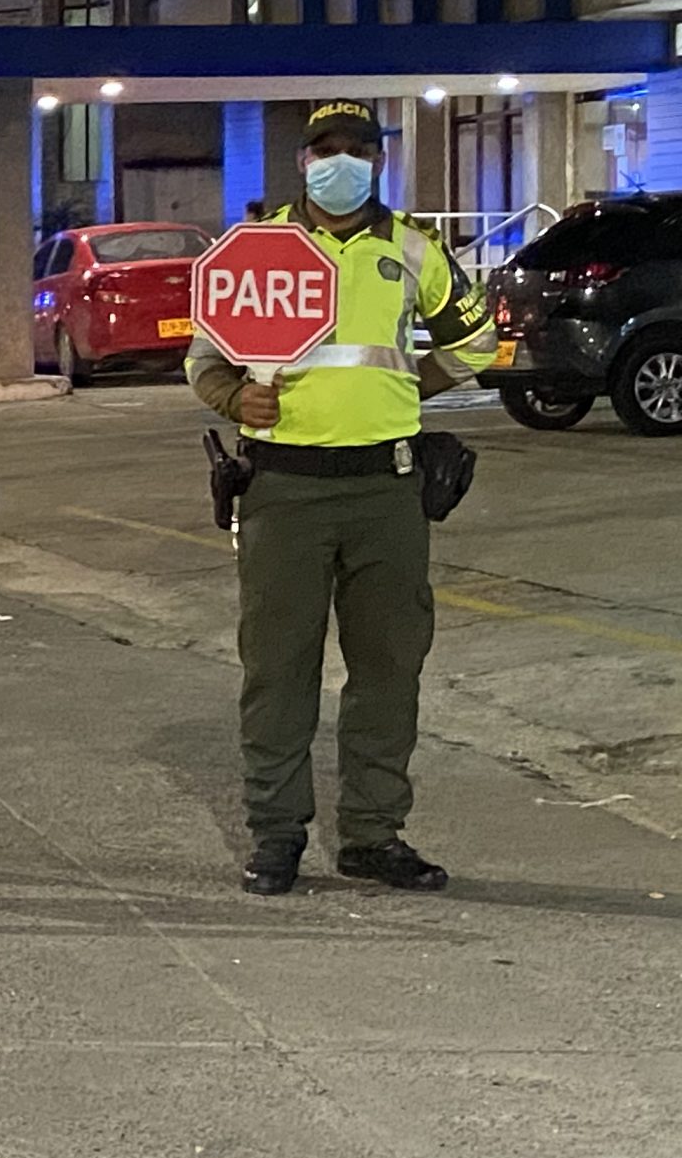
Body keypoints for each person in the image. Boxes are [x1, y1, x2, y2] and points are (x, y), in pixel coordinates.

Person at [187, 101, 499, 897]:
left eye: (360, 148)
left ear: (380, 160)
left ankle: (372, 834)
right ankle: (277, 836)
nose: (343, 160)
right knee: (279, 672)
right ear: (302, 161)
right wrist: (234, 401)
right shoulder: (255, 252)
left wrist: (407, 385)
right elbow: (203, 361)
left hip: (386, 490)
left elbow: (475, 343)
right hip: (283, 489)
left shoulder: (413, 248)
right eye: (327, 148)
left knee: (389, 670)